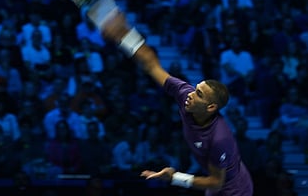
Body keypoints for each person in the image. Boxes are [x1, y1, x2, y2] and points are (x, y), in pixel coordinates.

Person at [100, 11, 253, 195]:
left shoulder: (220, 138)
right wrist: (125, 36)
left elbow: (215, 182)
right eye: (195, 88)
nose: (191, 95)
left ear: (211, 107)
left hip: (235, 190)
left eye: (199, 94)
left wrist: (174, 178)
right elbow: (152, 65)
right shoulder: (185, 94)